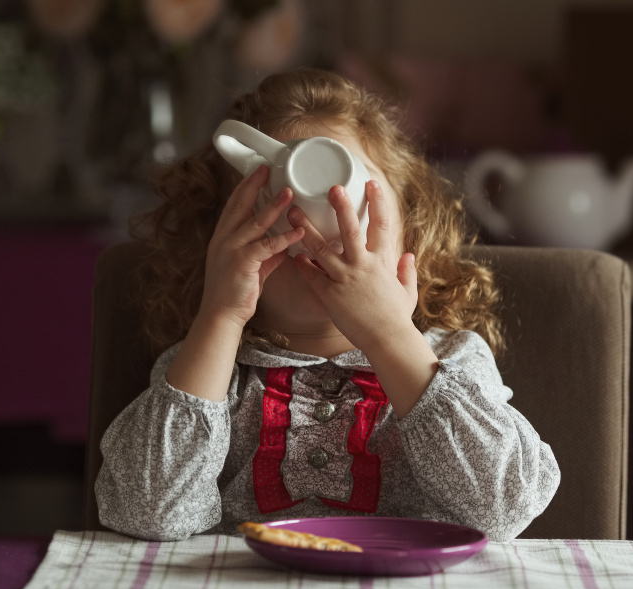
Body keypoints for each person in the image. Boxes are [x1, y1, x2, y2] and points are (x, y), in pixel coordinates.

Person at [95, 68, 560, 542]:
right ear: (219, 244)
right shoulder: (208, 369)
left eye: (355, 196)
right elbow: (146, 515)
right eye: (273, 201)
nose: (322, 220)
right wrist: (220, 314)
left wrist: (388, 334)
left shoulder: (451, 360)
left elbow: (508, 506)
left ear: (409, 234)